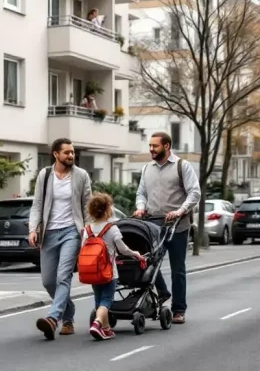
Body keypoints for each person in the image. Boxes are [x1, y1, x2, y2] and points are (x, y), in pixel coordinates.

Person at [133, 131, 200, 325]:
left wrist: (180, 211)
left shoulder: (182, 166)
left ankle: (179, 309)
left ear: (167, 146)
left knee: (178, 268)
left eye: (155, 146)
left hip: (177, 226)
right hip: (153, 224)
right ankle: (163, 292)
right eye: (150, 146)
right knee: (149, 262)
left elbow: (194, 193)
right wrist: (140, 208)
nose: (151, 149)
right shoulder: (147, 168)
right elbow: (141, 193)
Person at [28, 138, 92, 340]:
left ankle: (53, 319)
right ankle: (68, 313)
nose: (71, 156)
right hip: (49, 234)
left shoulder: (81, 175)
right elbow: (37, 204)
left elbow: (87, 206)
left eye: (72, 152)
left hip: (71, 232)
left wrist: (88, 231)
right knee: (48, 281)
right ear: (56, 154)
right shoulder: (45, 175)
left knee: (63, 277)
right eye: (67, 152)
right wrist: (33, 229)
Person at [82, 193, 144, 340]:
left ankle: (106, 329)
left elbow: (83, 248)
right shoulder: (112, 229)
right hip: (109, 272)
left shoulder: (88, 229)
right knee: (107, 300)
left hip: (93, 271)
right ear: (107, 211)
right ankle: (97, 323)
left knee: (98, 299)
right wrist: (135, 254)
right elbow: (123, 250)